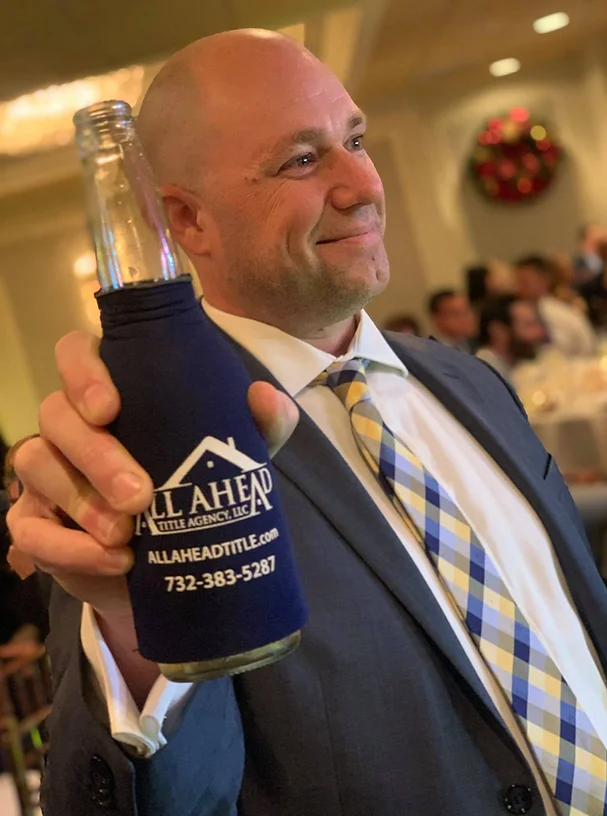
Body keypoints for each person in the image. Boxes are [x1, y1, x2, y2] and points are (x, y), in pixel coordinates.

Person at [7, 30, 607, 816]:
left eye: (354, 140)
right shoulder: (147, 462)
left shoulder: (471, 383)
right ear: (187, 219)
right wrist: (130, 630)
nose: (362, 185)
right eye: (300, 160)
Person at [514, 253, 596, 357]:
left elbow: (559, 351)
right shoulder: (526, 310)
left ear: (544, 280)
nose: (518, 288)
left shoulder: (552, 311)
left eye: (524, 282)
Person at [475, 295, 545, 383]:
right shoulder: (485, 372)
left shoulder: (516, 362)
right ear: (498, 332)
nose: (539, 332)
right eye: (528, 325)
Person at [427, 288, 476, 353]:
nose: (465, 319)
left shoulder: (474, 345)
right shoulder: (429, 351)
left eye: (467, 312)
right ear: (437, 319)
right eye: (456, 314)